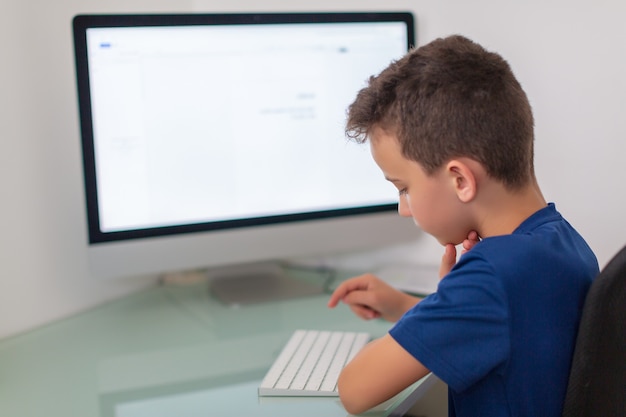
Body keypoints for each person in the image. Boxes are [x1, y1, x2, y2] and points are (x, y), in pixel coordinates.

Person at [327, 35, 599, 416]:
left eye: (404, 188)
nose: (404, 208)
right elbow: (503, 329)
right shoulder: (560, 241)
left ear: (460, 180)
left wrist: (450, 298)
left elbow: (354, 390)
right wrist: (416, 307)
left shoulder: (491, 276)